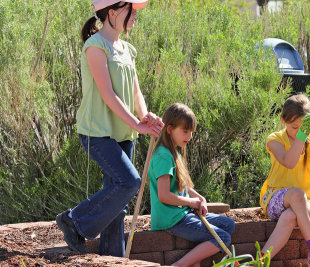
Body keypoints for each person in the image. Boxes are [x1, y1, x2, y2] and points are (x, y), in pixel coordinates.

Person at [55, 0, 164, 257]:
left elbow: (135, 91)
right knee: (129, 182)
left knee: (118, 204)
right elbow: (107, 94)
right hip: (98, 132)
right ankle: (74, 221)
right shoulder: (95, 47)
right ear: (112, 12)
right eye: (130, 9)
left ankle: (112, 258)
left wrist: (145, 116)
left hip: (123, 132)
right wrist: (136, 123)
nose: (135, 14)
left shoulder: (127, 49)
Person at [148, 103, 235, 267]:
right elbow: (164, 195)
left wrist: (198, 197)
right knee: (223, 238)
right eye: (185, 131)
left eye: (191, 132)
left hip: (182, 215)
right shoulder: (163, 156)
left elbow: (181, 186)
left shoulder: (174, 151)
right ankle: (180, 265)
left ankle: (195, 260)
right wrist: (191, 202)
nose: (190, 136)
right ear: (169, 129)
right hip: (171, 219)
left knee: (228, 224)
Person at [259, 94, 310, 267]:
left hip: (306, 204)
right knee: (297, 194)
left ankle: (259, 262)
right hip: (276, 197)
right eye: (294, 127)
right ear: (283, 120)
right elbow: (289, 162)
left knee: (290, 217)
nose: (298, 131)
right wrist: (302, 135)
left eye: (302, 127)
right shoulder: (274, 140)